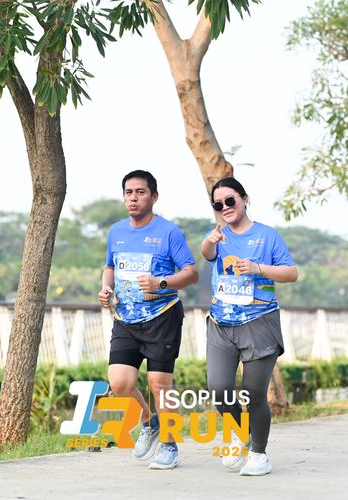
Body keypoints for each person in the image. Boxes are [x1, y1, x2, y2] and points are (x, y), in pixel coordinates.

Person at [99, 170, 199, 470]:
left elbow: (191, 273)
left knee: (159, 384)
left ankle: (169, 445)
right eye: (128, 192)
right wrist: (106, 289)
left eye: (140, 192)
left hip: (162, 317)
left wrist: (161, 283)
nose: (133, 198)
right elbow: (110, 266)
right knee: (119, 382)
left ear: (154, 197)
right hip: (126, 319)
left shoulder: (169, 232)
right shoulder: (116, 232)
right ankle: (149, 421)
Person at [201, 176, 298, 476]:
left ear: (245, 199)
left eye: (230, 200)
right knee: (219, 389)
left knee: (254, 392)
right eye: (218, 204)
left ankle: (258, 453)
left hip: (259, 322)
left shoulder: (267, 236)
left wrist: (258, 268)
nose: (225, 207)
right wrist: (209, 241)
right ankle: (240, 433)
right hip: (221, 324)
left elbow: (291, 273)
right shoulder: (218, 235)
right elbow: (206, 254)